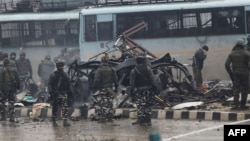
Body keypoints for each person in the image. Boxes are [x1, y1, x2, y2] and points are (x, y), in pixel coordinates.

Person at [129, 55, 158, 126]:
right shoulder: (148, 68)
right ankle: (148, 121)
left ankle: (141, 120)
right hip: (148, 90)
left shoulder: (134, 70)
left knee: (140, 106)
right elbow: (153, 80)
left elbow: (132, 83)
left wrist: (131, 91)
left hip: (140, 91)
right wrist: (155, 88)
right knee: (148, 105)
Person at [92, 54, 118, 123]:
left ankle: (103, 118)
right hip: (110, 88)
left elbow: (96, 80)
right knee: (110, 103)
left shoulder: (99, 70)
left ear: (102, 61)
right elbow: (116, 80)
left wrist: (94, 88)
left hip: (102, 89)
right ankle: (110, 117)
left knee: (103, 103)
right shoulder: (112, 69)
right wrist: (116, 88)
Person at [225, 39, 250, 110]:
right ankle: (243, 105)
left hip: (235, 74)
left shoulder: (231, 54)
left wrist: (231, 73)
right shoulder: (247, 53)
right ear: (243, 45)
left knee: (236, 89)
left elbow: (226, 65)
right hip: (245, 74)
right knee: (245, 89)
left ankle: (236, 105)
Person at [48, 59, 71, 127]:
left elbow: (68, 84)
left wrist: (69, 92)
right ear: (57, 66)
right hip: (56, 93)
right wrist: (51, 92)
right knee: (55, 107)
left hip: (63, 93)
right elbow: (49, 84)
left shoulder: (65, 75)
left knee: (65, 107)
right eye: (60, 65)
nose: (61, 67)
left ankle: (65, 121)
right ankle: (54, 121)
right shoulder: (53, 74)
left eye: (62, 65)